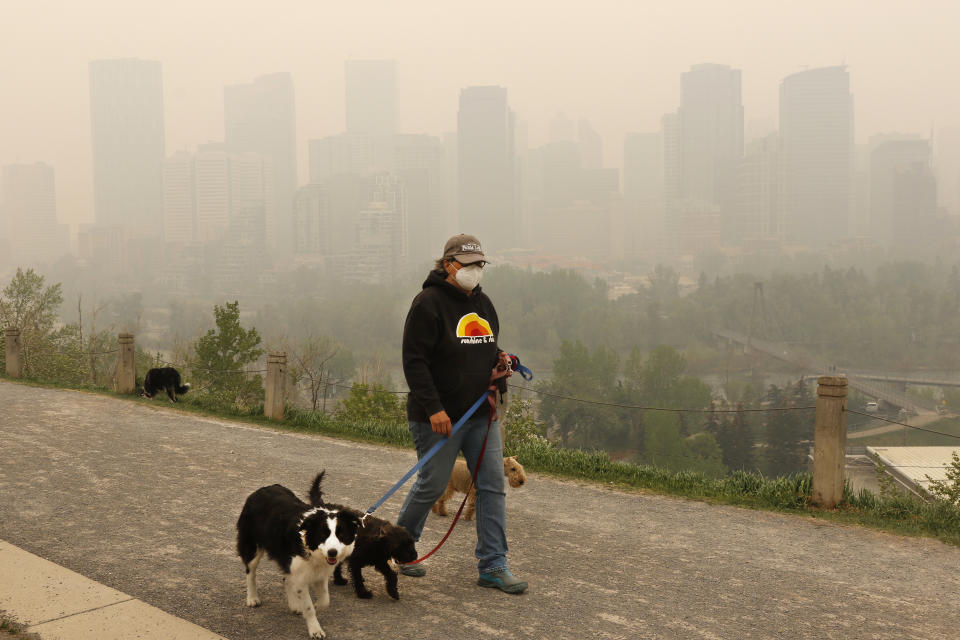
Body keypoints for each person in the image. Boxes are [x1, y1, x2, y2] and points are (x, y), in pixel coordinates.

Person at [395, 233, 528, 594]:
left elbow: (485, 345)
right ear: (449, 264)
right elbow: (415, 361)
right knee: (433, 485)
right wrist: (434, 409)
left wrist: (501, 362)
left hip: (481, 415)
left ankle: (493, 565)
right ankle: (399, 548)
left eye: (480, 264)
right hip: (438, 418)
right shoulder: (428, 303)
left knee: (491, 486)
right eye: (469, 264)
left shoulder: (482, 303)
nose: (475, 271)